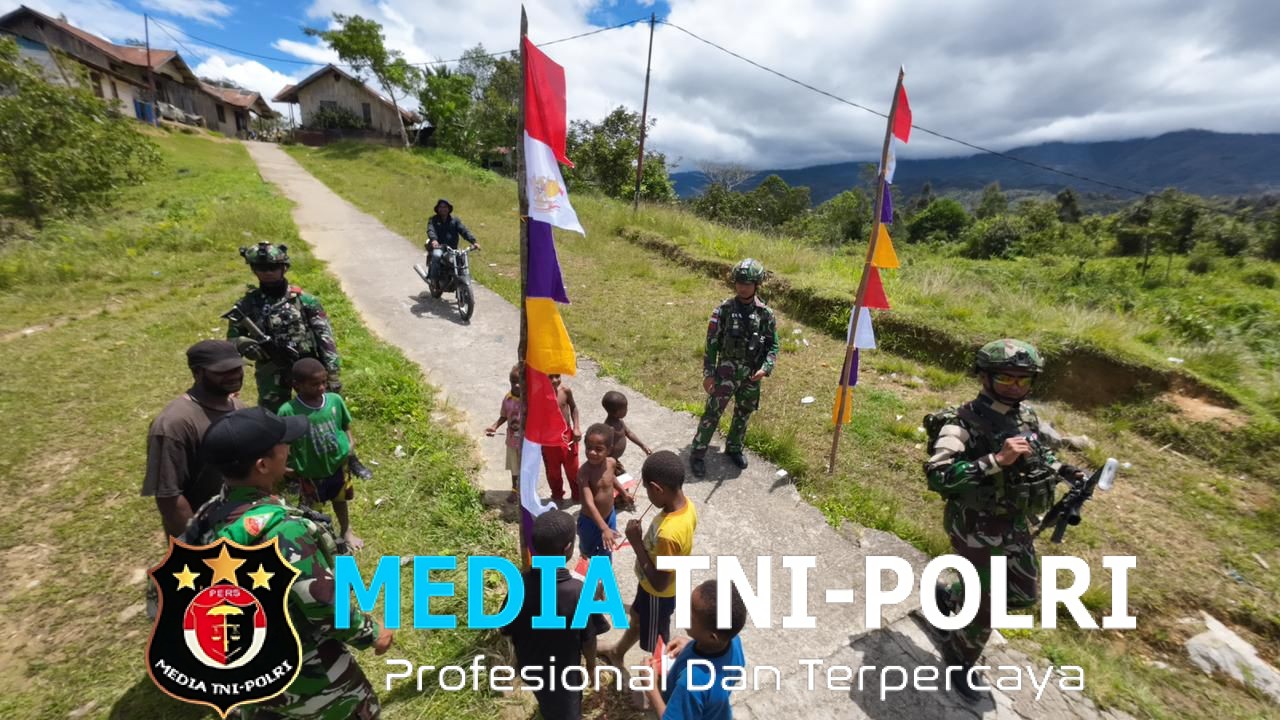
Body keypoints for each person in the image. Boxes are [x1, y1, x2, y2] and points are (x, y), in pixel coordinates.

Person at [190, 406, 394, 718]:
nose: (289, 446)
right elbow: (323, 605)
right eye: (282, 444)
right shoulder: (283, 530)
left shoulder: (209, 514)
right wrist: (372, 633)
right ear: (262, 465)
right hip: (306, 671)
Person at [921, 338, 1082, 701]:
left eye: (1023, 380)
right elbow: (938, 475)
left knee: (1023, 593)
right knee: (987, 607)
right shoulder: (961, 423)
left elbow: (1038, 454)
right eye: (1006, 378)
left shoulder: (1025, 417)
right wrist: (995, 461)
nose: (1015, 387)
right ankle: (959, 657)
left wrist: (1065, 471)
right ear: (984, 377)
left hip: (1013, 521)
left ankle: (948, 598)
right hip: (975, 525)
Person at [226, 241, 373, 480]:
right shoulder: (247, 305)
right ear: (253, 269)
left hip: (309, 368)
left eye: (273, 267)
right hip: (272, 371)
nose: (267, 272)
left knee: (330, 414)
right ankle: (289, 469)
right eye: (261, 268)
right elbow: (232, 340)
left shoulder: (304, 300)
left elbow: (325, 338)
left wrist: (332, 373)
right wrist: (246, 345)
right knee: (275, 420)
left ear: (284, 267)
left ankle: (350, 458)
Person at [500, 509, 600, 720]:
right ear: (568, 548)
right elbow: (589, 640)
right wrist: (591, 666)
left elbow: (505, 628)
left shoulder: (519, 585)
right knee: (566, 713)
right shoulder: (579, 592)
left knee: (546, 700)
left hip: (530, 664)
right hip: (563, 676)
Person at [142, 340, 247, 538]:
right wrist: (198, 543)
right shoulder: (173, 425)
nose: (234, 375)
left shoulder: (238, 407)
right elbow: (169, 498)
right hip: (206, 534)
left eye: (237, 368)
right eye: (223, 371)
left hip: (241, 526)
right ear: (197, 372)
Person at [602, 451, 698, 666]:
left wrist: (636, 543)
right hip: (650, 588)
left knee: (656, 643)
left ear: (657, 489)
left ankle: (659, 680)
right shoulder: (687, 506)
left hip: (658, 593)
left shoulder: (668, 534)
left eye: (647, 489)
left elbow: (660, 582)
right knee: (637, 617)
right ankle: (617, 651)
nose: (647, 494)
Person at [689, 258, 779, 478]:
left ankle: (734, 448)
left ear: (756, 285)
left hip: (751, 374)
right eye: (739, 282)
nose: (742, 287)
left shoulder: (766, 314)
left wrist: (766, 368)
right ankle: (698, 453)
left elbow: (772, 345)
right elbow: (712, 343)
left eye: (747, 283)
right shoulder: (724, 310)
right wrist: (709, 374)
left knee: (743, 413)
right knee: (712, 412)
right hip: (725, 372)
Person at [277, 357, 364, 552]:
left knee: (340, 499)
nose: (322, 387)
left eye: (324, 382)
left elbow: (345, 425)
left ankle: (346, 531)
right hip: (310, 471)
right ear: (297, 386)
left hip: (338, 465)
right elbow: (281, 445)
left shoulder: (335, 401)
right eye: (315, 384)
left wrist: (350, 443)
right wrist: (285, 469)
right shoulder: (288, 411)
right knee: (311, 510)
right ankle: (318, 541)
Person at [645, 580, 748, 720]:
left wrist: (652, 690)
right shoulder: (733, 641)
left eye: (690, 614)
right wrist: (692, 644)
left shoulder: (692, 682)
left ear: (712, 637)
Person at [576, 424, 634, 560]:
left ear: (609, 450)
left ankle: (604, 569)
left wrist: (624, 493)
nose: (592, 452)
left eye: (598, 449)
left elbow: (611, 478)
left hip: (609, 515)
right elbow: (589, 503)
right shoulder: (584, 473)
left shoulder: (611, 463)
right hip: (589, 521)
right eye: (589, 448)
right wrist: (604, 528)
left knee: (607, 547)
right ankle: (587, 560)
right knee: (588, 551)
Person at [485, 364, 523, 503]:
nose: (516, 385)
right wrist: (494, 426)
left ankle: (526, 491)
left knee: (526, 467)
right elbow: (504, 416)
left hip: (526, 442)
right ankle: (514, 490)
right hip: (512, 440)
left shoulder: (528, 399)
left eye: (519, 382)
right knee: (514, 467)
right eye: (513, 382)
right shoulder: (507, 399)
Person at [543, 373, 582, 506]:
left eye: (557, 376)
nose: (555, 380)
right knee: (553, 471)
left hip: (568, 437)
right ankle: (557, 495)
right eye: (550, 377)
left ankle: (577, 494)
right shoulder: (539, 395)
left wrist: (576, 427)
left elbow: (574, 408)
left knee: (573, 469)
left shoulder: (565, 391)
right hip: (549, 440)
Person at [425, 198, 479, 285]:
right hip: (439, 247)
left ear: (449, 208)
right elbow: (431, 230)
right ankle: (434, 279)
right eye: (441, 207)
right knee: (436, 255)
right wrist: (434, 240)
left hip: (452, 248)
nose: (443, 209)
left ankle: (462, 277)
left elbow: (464, 231)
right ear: (437, 209)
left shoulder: (455, 220)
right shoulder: (433, 220)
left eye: (445, 207)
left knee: (461, 259)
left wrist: (473, 241)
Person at [601, 390, 651, 475]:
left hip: (615, 460)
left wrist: (642, 445)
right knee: (616, 479)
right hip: (609, 462)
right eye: (625, 408)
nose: (627, 410)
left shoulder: (619, 421)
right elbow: (605, 448)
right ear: (617, 412)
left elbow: (629, 433)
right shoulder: (609, 428)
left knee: (621, 477)